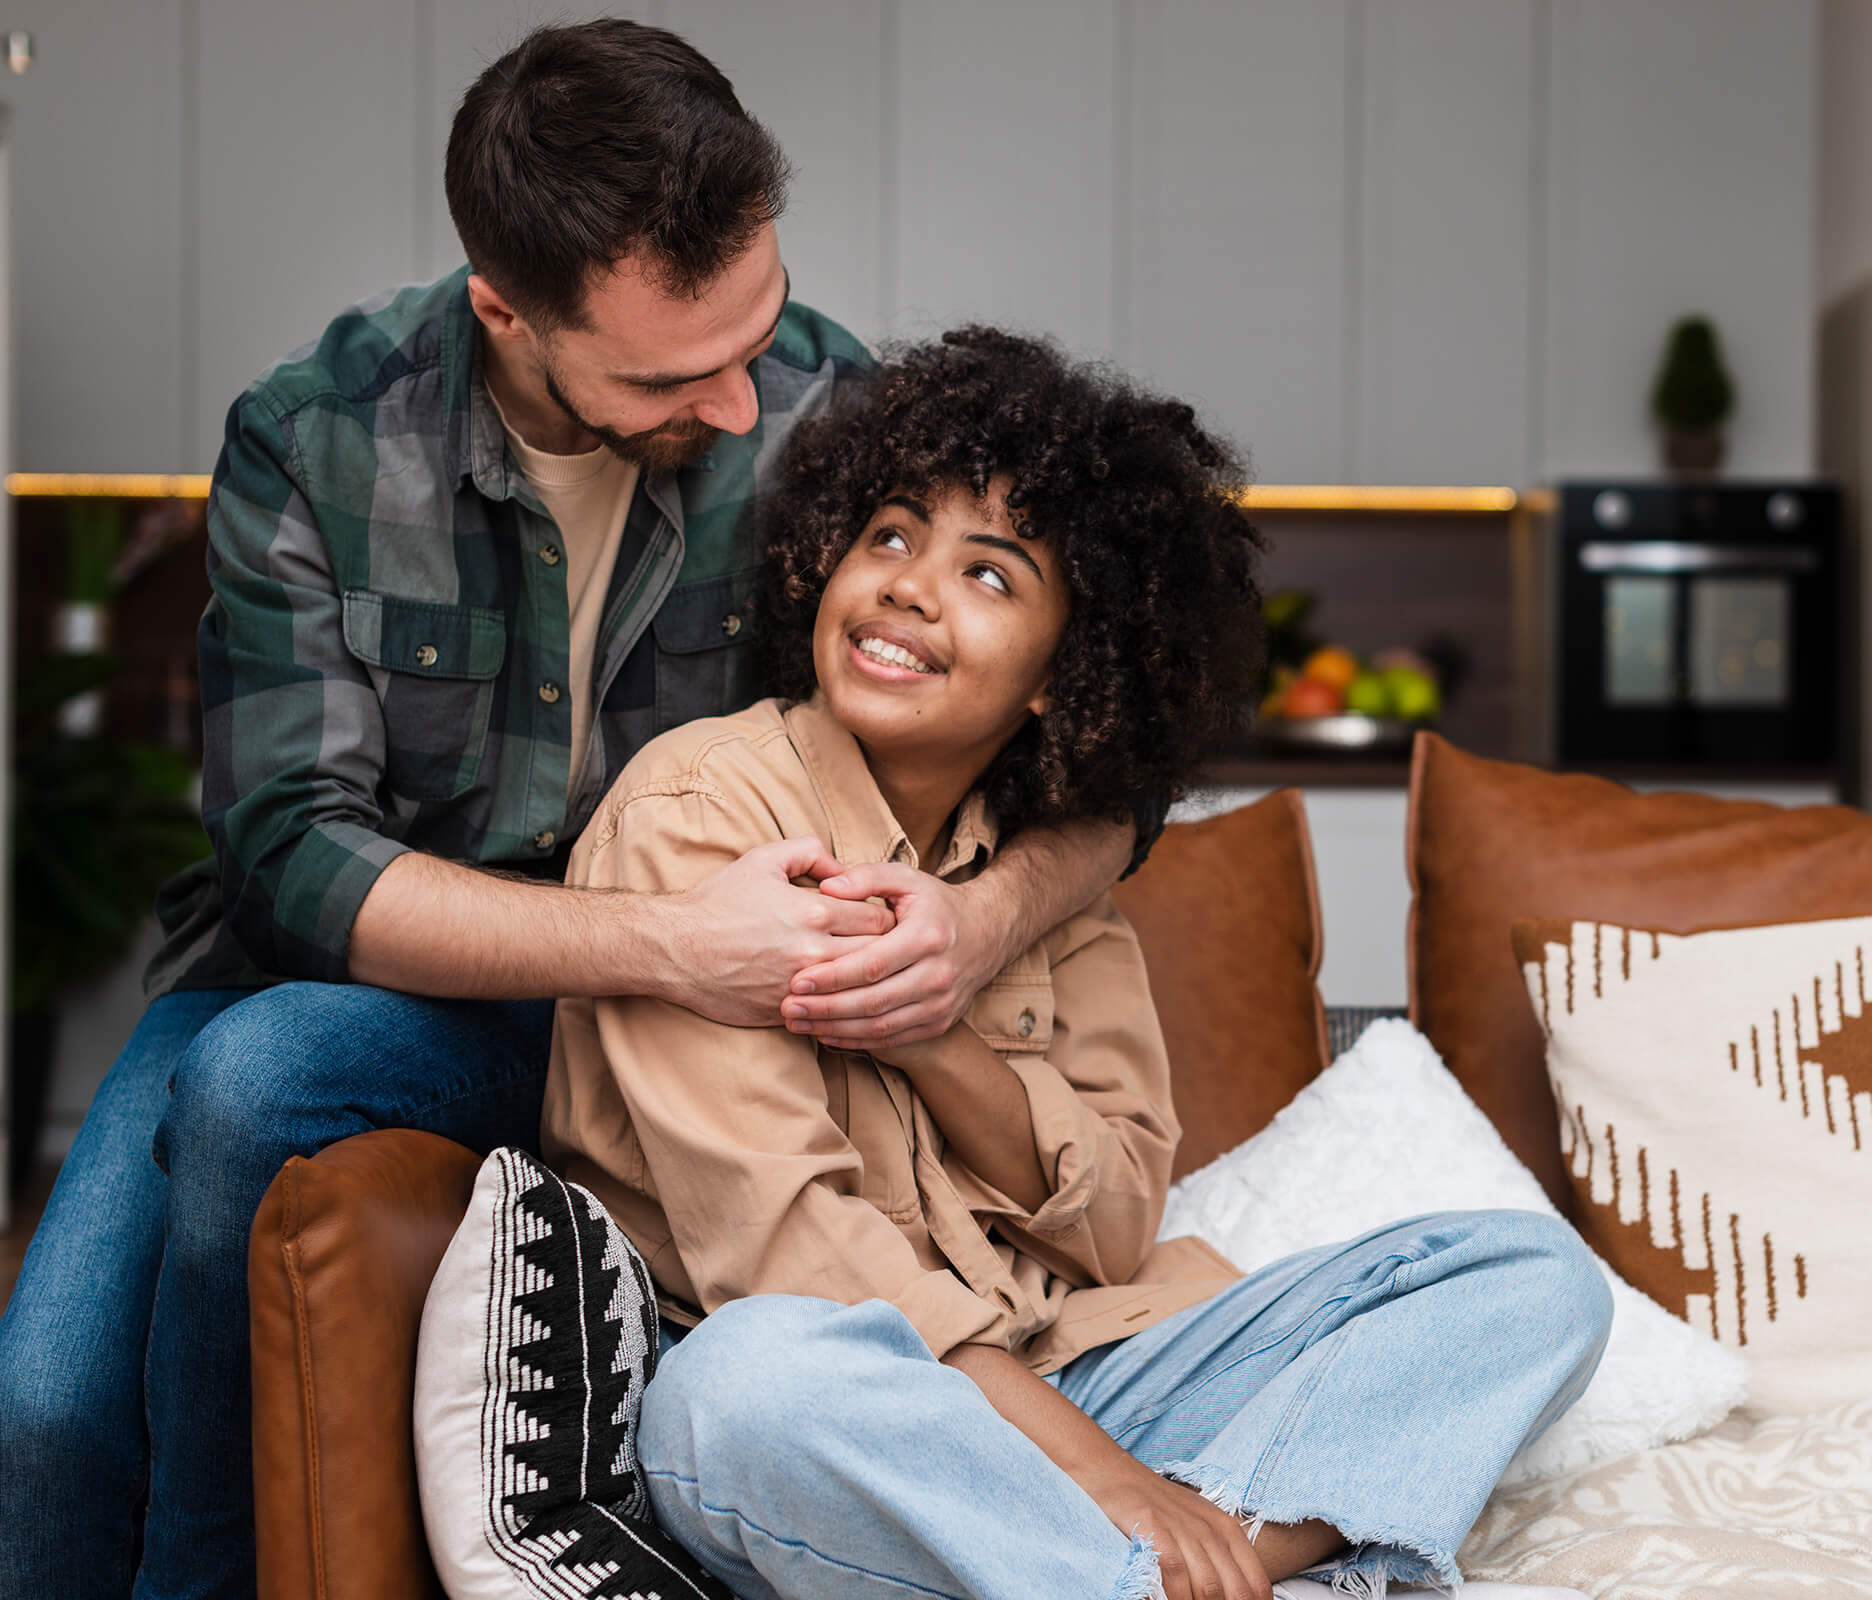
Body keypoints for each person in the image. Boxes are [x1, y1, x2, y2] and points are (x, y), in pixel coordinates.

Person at [0, 24, 1152, 1600]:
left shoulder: (825, 404)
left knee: (256, 1080)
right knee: (39, 1422)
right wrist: (671, 944)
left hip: (697, 1048)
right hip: (390, 991)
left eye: (757, 331)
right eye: (672, 373)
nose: (741, 407)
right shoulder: (320, 435)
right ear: (504, 308)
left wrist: (967, 925)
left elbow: (1113, 767)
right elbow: (294, 866)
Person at [539, 328, 1615, 1600]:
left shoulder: (1049, 886)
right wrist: (1111, 1481)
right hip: (879, 1413)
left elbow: (1112, 1229)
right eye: (888, 536)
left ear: (1065, 675)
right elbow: (788, 1253)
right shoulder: (705, 814)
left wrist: (929, 1030)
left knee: (1528, 1277)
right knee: (734, 1395)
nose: (906, 585)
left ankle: (1186, 1571)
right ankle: (1172, 1568)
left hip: (1086, 1368)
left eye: (988, 574)